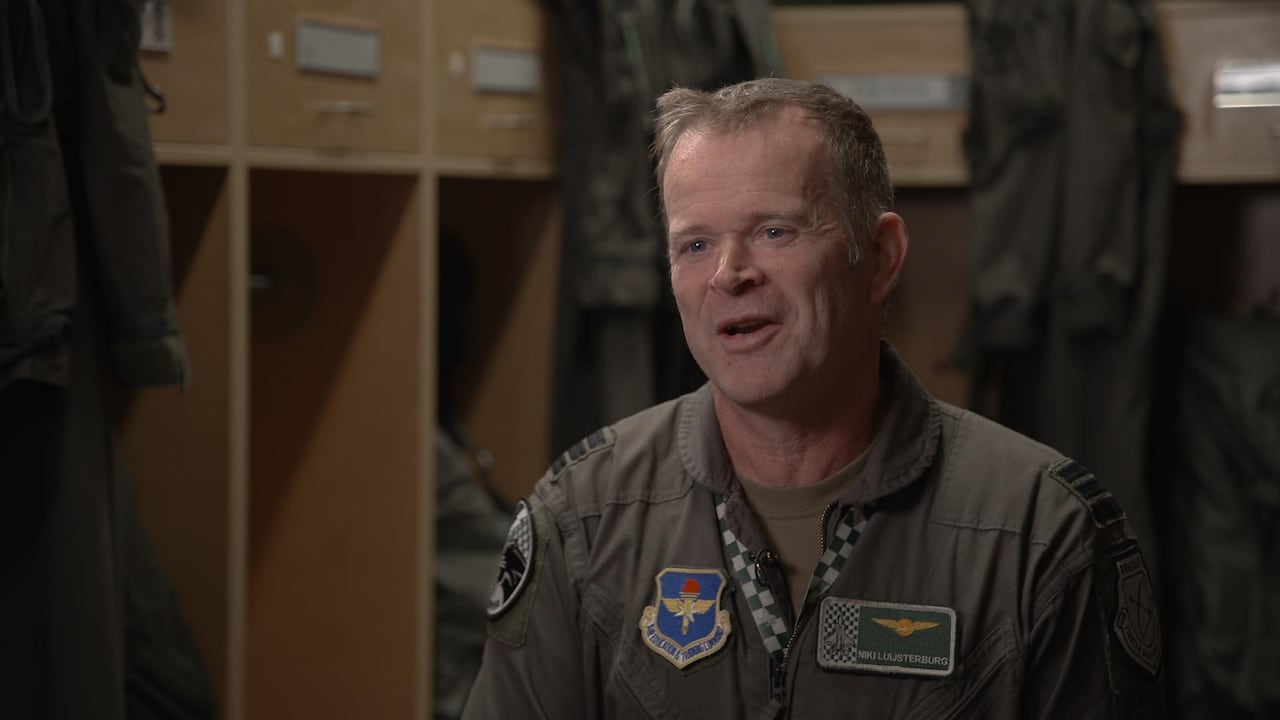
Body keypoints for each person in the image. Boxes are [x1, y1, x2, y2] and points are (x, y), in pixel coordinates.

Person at [462, 78, 1164, 718]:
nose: (729, 274)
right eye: (696, 245)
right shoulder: (583, 517)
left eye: (775, 232)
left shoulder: (1042, 534)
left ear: (880, 257)